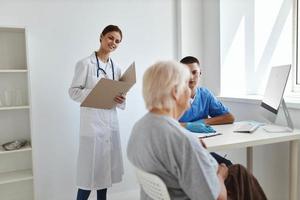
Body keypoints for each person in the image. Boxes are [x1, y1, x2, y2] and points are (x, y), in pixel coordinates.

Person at [127, 60, 267, 200]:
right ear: (176, 92)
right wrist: (221, 174)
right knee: (239, 174)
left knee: (238, 172)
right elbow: (219, 197)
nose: (190, 90)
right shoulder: (183, 142)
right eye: (186, 85)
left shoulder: (139, 128)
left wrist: (195, 149)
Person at [69, 25, 125, 200]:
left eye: (117, 41)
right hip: (92, 128)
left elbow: (119, 95)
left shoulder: (117, 68)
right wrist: (96, 93)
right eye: (110, 38)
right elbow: (73, 92)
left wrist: (121, 99)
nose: (113, 43)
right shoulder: (85, 64)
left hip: (109, 125)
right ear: (101, 37)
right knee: (87, 177)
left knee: (104, 176)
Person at [179, 56, 234, 166]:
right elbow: (164, 125)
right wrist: (188, 125)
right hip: (180, 151)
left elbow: (229, 117)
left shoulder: (205, 94)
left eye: (194, 72)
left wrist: (204, 121)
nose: (191, 77)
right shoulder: (172, 97)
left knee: (229, 166)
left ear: (200, 73)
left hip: (201, 148)